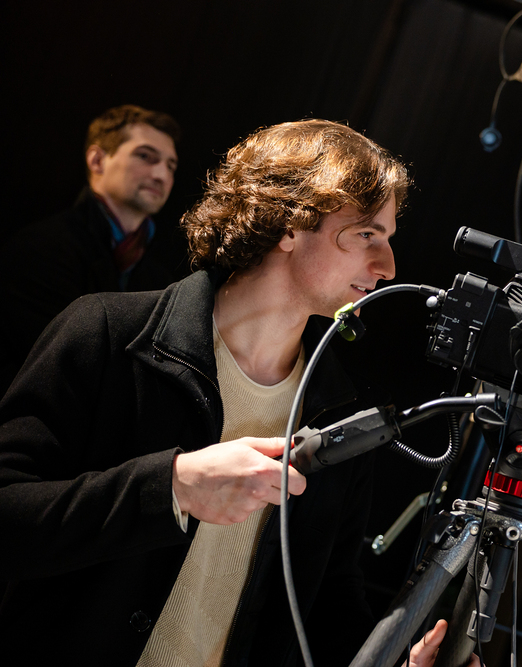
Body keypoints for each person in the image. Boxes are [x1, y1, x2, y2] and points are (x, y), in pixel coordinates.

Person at [0, 119, 411, 665]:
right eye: (366, 235)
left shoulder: (338, 411)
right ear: (290, 223)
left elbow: (327, 604)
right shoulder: (106, 331)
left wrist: (397, 658)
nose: (387, 267)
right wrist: (173, 487)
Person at [0, 104, 183, 393]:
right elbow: (51, 369)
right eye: (145, 156)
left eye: (170, 166)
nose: (161, 174)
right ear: (97, 161)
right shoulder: (39, 249)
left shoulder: (162, 280)